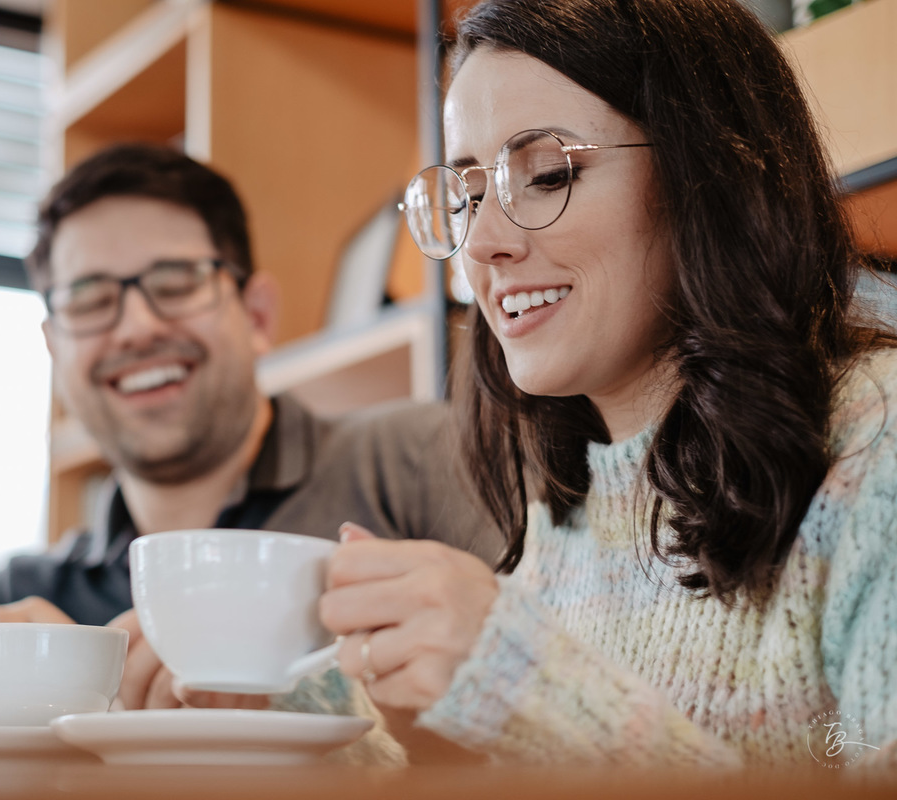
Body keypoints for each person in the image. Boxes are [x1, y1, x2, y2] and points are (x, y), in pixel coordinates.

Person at [0, 143, 500, 761]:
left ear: (256, 313)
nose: (136, 326)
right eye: (89, 299)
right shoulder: (34, 595)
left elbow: (573, 664)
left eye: (177, 281)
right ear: (55, 348)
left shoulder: (412, 456)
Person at [312, 0, 897, 770]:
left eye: (547, 174)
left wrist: (527, 691)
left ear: (707, 173)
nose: (483, 244)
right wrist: (243, 708)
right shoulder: (563, 522)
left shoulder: (874, 450)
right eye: (468, 195)